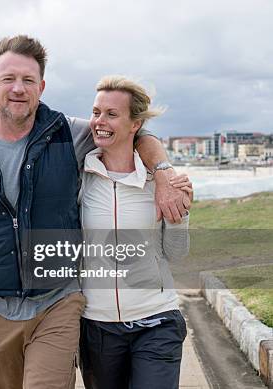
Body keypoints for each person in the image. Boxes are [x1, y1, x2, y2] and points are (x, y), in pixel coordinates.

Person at [0, 35, 189, 389]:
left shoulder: (68, 134)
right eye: (8, 79)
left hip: (57, 302)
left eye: (28, 80)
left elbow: (134, 132)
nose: (18, 89)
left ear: (41, 87)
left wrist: (165, 173)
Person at [78, 75, 192, 389]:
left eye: (112, 114)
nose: (100, 121)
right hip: (97, 326)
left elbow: (177, 253)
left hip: (156, 320)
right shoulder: (80, 177)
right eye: (96, 112)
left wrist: (180, 215)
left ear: (135, 125)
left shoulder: (160, 182)